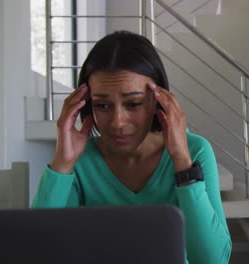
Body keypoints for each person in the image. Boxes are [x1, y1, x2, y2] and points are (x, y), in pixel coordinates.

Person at [32, 30, 231, 264]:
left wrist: (181, 162)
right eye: (103, 106)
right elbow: (37, 252)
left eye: (134, 104)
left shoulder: (194, 151)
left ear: (159, 101)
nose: (118, 122)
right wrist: (62, 164)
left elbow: (213, 260)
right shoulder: (79, 160)